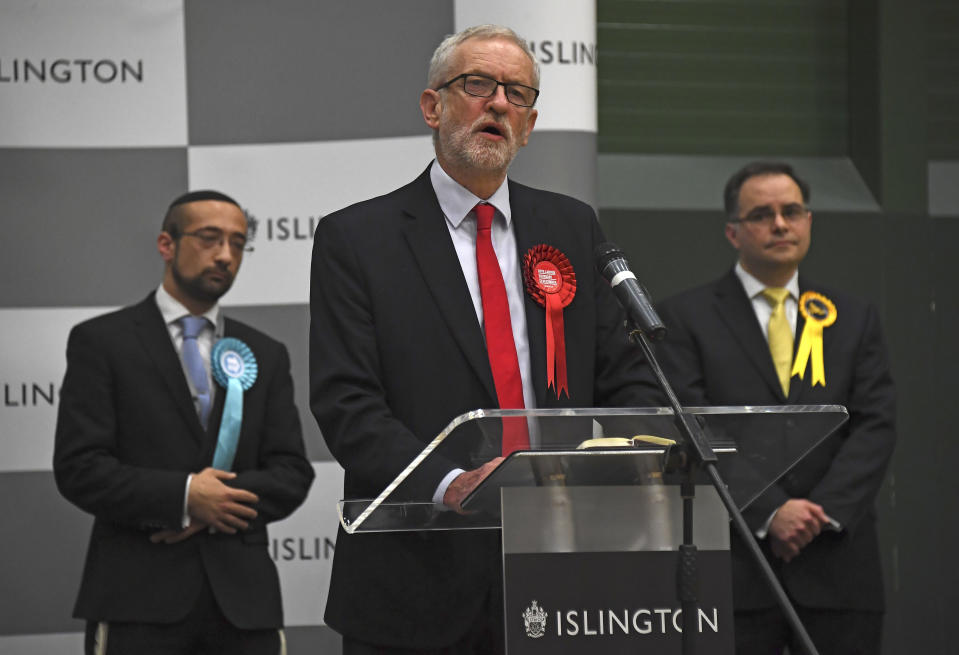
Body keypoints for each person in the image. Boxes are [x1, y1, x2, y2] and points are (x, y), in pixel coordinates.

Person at [310, 24, 660, 654]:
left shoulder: (570, 225)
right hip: (419, 578)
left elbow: (627, 376)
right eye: (477, 84)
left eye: (518, 94)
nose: (499, 102)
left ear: (528, 126)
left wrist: (601, 461)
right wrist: (453, 481)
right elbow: (347, 404)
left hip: (568, 570)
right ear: (432, 106)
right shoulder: (358, 239)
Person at [54, 190, 314, 655]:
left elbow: (292, 474)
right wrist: (186, 496)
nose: (225, 255)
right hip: (136, 600)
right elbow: (81, 468)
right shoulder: (101, 342)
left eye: (238, 243)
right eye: (210, 238)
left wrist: (215, 505)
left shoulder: (266, 354)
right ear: (165, 244)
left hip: (244, 608)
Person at [655, 161, 896, 654]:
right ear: (732, 232)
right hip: (738, 568)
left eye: (792, 211)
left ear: (809, 221)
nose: (780, 224)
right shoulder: (684, 318)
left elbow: (875, 425)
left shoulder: (852, 317)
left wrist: (818, 515)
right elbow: (694, 425)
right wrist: (770, 511)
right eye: (762, 214)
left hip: (838, 564)